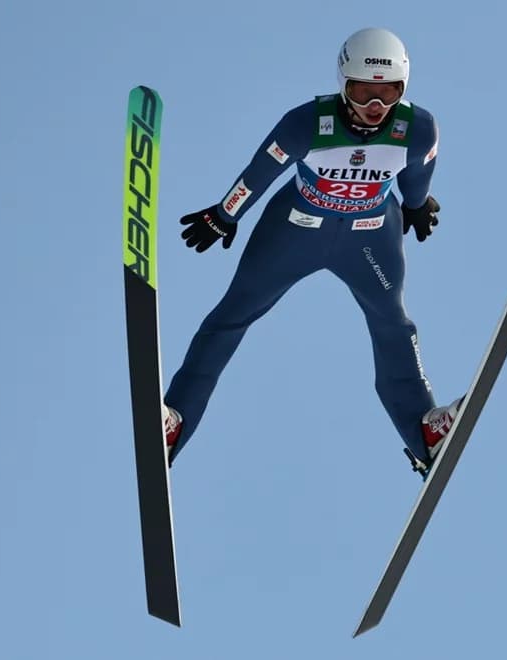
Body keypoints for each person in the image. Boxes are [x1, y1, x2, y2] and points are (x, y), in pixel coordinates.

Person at [161, 27, 462, 476]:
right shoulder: (306, 123)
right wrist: (225, 214)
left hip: (370, 239)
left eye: (388, 93)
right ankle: (175, 422)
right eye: (362, 92)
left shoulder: (418, 129)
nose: (374, 106)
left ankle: (425, 432)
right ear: (343, 84)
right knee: (232, 314)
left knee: (393, 323)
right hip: (295, 231)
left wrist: (417, 206)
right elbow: (261, 171)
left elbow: (417, 175)